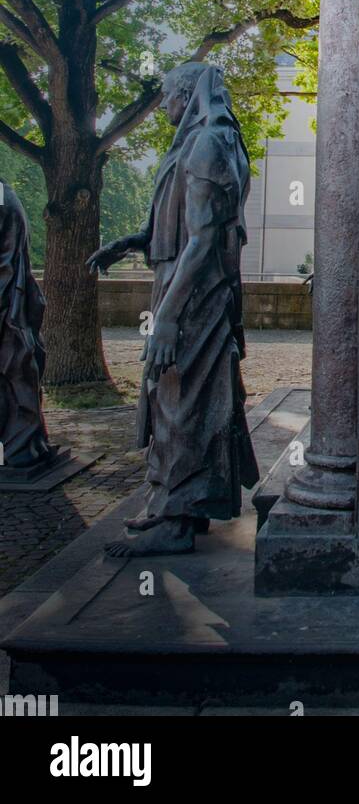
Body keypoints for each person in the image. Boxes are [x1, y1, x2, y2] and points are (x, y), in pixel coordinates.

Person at [88, 63, 259, 555]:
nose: (163, 106)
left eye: (167, 96)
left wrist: (166, 318)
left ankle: (176, 521)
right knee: (177, 395)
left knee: (181, 395)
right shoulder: (197, 142)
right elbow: (182, 222)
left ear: (187, 95)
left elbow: (205, 238)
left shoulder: (209, 143)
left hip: (195, 294)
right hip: (180, 280)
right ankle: (182, 505)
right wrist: (133, 241)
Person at [0, 183, 56, 470]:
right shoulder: (5, 193)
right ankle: (21, 445)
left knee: (14, 374)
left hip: (8, 304)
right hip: (13, 304)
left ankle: (18, 447)